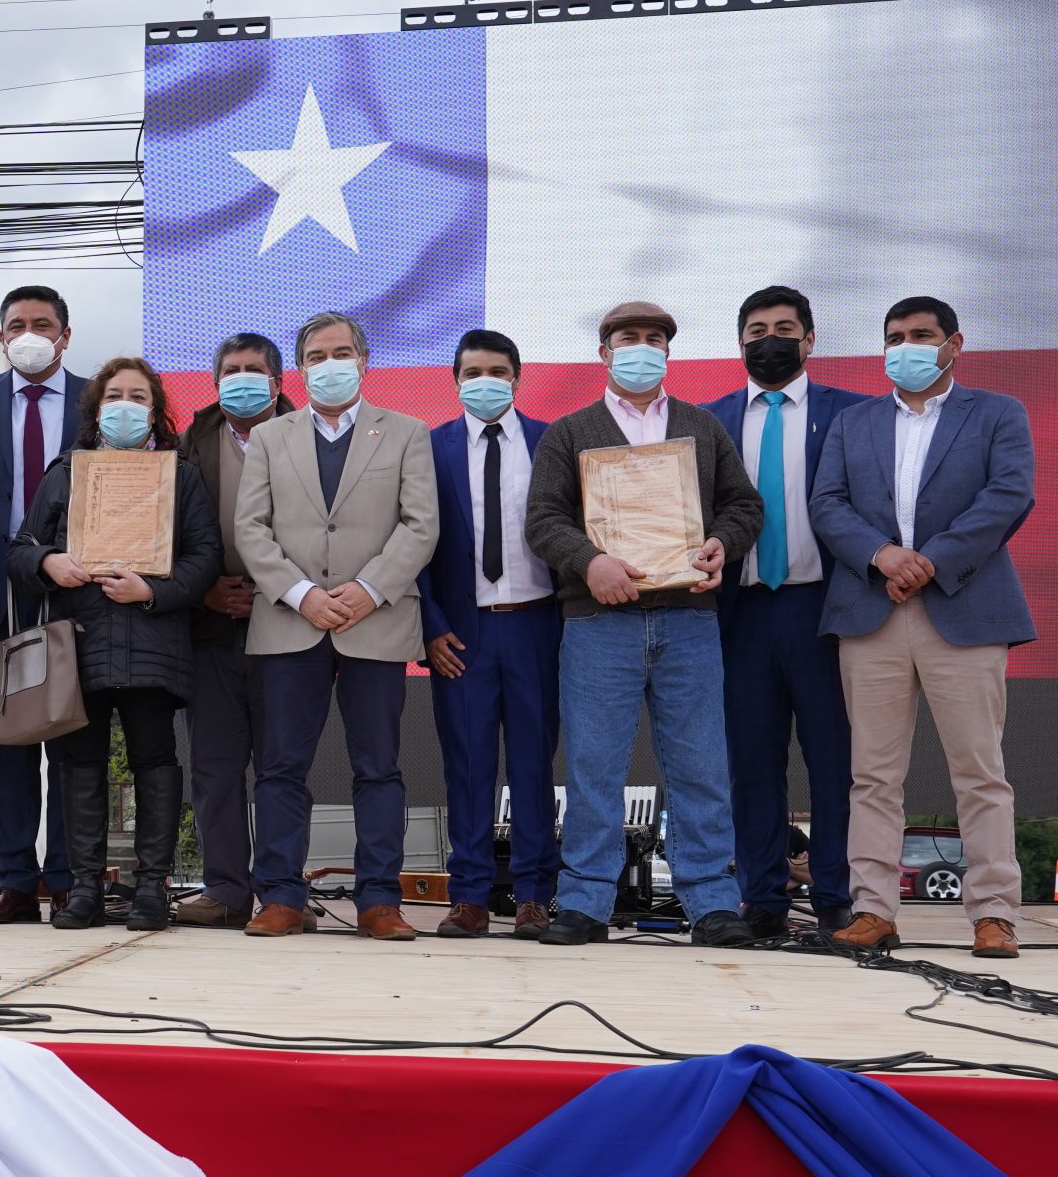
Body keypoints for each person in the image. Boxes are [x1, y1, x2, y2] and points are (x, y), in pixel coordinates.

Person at [523, 300, 764, 948]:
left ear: (668, 352)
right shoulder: (570, 431)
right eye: (628, 338)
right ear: (604, 352)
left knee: (700, 764)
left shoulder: (702, 427)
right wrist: (590, 560)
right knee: (595, 766)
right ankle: (583, 902)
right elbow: (544, 519)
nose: (642, 347)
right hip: (599, 620)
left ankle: (712, 901)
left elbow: (745, 505)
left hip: (688, 618)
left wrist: (721, 543)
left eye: (654, 339)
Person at [810, 295, 1035, 960]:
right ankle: (874, 909)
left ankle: (994, 912)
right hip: (871, 609)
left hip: (962, 607)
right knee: (873, 775)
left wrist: (931, 562)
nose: (904, 347)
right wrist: (881, 555)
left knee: (979, 770)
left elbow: (1008, 494)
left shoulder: (997, 413)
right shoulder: (854, 423)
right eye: (894, 337)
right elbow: (828, 503)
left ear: (953, 343)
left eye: (919, 335)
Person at [233, 314, 440, 940]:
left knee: (378, 766)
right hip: (291, 623)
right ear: (300, 368)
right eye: (316, 355)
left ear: (365, 360)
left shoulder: (406, 432)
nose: (330, 363)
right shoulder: (271, 437)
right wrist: (301, 595)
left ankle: (380, 900)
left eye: (342, 352)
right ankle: (281, 897)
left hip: (375, 620)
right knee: (279, 768)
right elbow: (251, 528)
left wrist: (369, 589)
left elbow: (419, 525)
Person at [8, 356, 221, 932]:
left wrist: (150, 591)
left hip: (155, 642)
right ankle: (84, 890)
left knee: (156, 760)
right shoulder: (66, 472)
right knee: (80, 766)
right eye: (114, 396)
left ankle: (152, 888)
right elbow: (21, 550)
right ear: (96, 408)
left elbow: (206, 558)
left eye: (138, 397)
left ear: (154, 410)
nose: (125, 406)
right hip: (81, 642)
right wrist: (51, 562)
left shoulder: (181, 475)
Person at [704, 286, 871, 937]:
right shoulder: (707, 420)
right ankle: (763, 898)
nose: (767, 339)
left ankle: (834, 896)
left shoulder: (855, 416)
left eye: (782, 327)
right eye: (755, 329)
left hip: (823, 609)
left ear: (809, 339)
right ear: (739, 341)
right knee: (751, 763)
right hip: (739, 611)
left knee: (834, 760)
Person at [0, 286, 89, 925]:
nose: (27, 334)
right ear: (0, 334)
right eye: (15, 325)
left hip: (77, 590)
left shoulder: (98, 400)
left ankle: (68, 878)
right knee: (6, 741)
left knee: (69, 738)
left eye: (41, 324)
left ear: (64, 335)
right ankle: (14, 880)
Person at [415, 330, 561, 940]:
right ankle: (470, 895)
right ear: (455, 380)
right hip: (462, 635)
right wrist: (430, 627)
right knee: (468, 767)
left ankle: (533, 896)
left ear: (517, 378)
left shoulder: (552, 440)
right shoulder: (428, 449)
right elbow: (412, 543)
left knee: (533, 766)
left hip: (537, 626)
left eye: (497, 371)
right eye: (473, 372)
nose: (485, 381)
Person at [173, 333, 290, 928]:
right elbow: (164, 534)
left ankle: (280, 894)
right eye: (230, 370)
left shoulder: (309, 435)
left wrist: (282, 591)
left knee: (280, 769)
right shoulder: (189, 441)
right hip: (210, 623)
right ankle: (224, 889)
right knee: (215, 768)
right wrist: (207, 590)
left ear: (277, 380)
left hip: (291, 624)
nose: (241, 379)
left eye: (253, 369)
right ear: (215, 380)